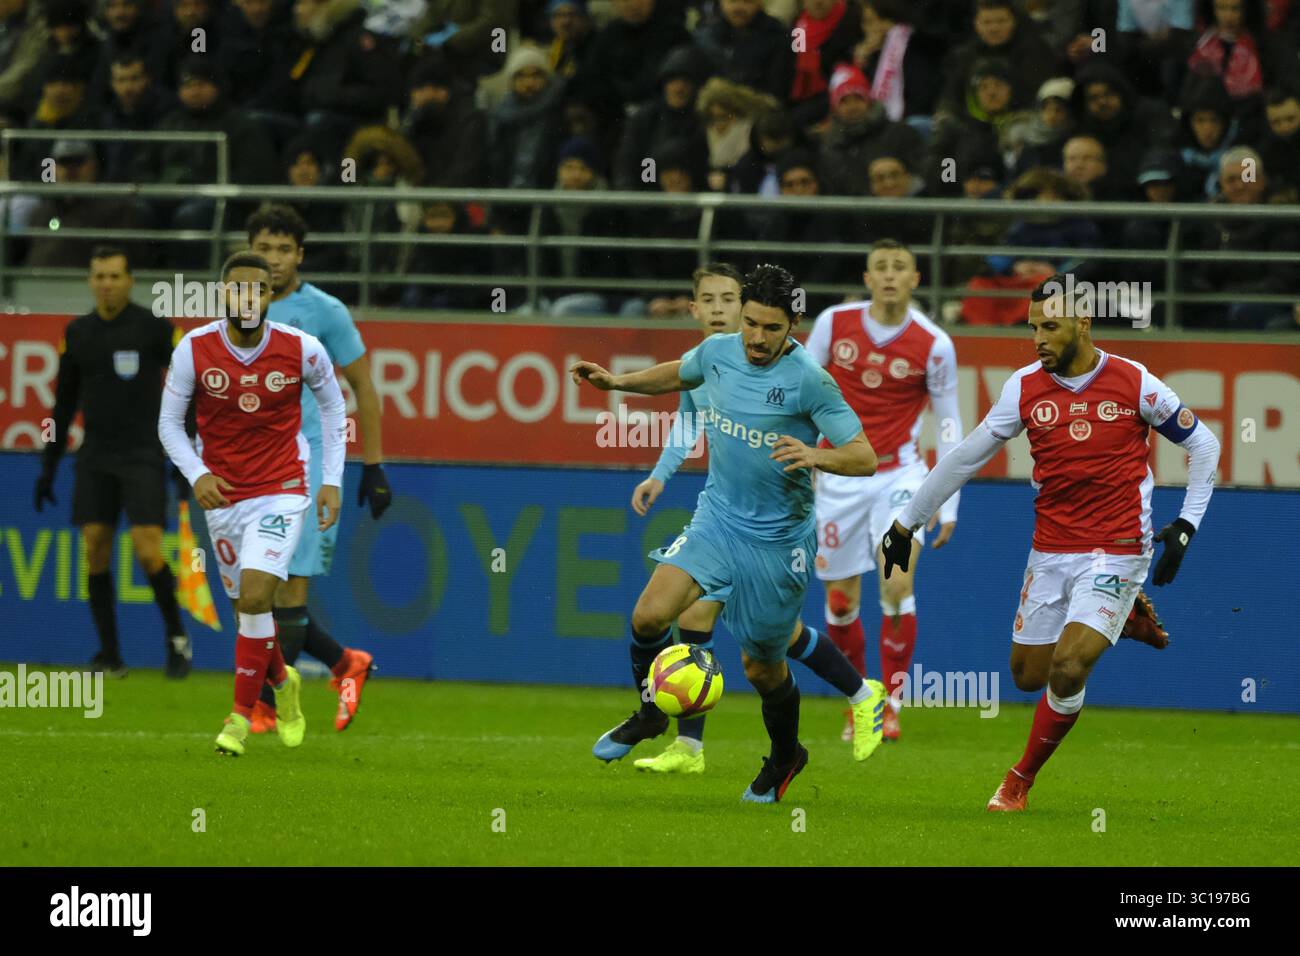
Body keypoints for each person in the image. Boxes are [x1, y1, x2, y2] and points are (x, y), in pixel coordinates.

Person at [880, 274, 1222, 811]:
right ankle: (1125, 615)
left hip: (1119, 546)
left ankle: (1018, 781)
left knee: (1068, 666)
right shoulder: (1024, 387)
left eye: (1050, 326)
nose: (1038, 338)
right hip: (1052, 549)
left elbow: (1204, 444)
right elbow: (967, 455)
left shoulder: (1135, 383)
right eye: (1033, 326)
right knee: (1027, 676)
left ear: (1084, 323)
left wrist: (1186, 524)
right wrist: (906, 524)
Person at [572, 263, 888, 802]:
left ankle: (786, 757)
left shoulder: (809, 379)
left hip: (777, 542)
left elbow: (865, 456)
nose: (757, 339)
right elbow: (681, 372)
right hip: (717, 519)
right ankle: (652, 714)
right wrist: (619, 382)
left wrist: (815, 453)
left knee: (762, 667)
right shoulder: (720, 351)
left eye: (771, 328)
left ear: (793, 325)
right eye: (750, 324)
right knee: (649, 615)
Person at [158, 251, 347, 757]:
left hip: (283, 488)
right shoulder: (194, 350)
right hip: (224, 497)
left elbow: (333, 408)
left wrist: (332, 481)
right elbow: (169, 425)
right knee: (248, 609)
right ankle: (284, 685)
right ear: (224, 294)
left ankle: (239, 719)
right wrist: (196, 473)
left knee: (259, 595)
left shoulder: (302, 349)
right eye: (236, 289)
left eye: (257, 290)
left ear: (269, 296)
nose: (247, 298)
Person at [805, 239, 963, 742]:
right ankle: (859, 700)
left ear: (915, 279)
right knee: (840, 600)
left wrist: (948, 498)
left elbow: (951, 423)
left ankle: (891, 704)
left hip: (900, 479)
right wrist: (804, 458)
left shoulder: (934, 343)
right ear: (868, 277)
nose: (890, 275)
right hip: (836, 475)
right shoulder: (834, 323)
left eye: (900, 267)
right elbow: (802, 389)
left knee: (896, 587)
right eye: (881, 267)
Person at [245, 204, 390, 733]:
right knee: (256, 593)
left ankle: (261, 704)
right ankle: (345, 663)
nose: (275, 259)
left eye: (285, 249)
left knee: (288, 591)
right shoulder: (237, 313)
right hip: (249, 470)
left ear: (300, 255)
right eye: (265, 248)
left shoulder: (325, 311)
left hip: (305, 468)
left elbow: (365, 389)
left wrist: (373, 466)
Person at [34, 245, 192, 678]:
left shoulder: (155, 329)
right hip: (95, 456)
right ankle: (110, 656)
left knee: (147, 551)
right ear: (90, 281)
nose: (106, 283)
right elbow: (62, 405)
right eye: (99, 276)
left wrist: (184, 458)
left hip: (142, 453)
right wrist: (48, 466)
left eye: (114, 276)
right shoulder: (77, 333)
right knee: (95, 549)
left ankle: (177, 639)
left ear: (129, 281)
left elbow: (187, 387)